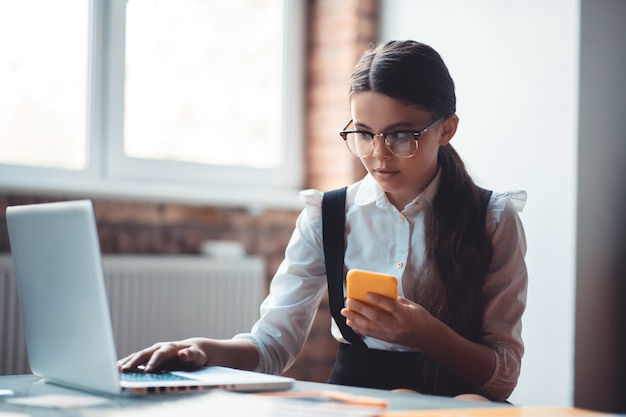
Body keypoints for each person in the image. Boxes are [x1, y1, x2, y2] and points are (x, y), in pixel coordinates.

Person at [118, 40, 527, 402]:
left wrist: (427, 334)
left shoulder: (492, 218)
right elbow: (272, 346)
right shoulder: (327, 216)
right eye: (364, 133)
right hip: (357, 403)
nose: (379, 155)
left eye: (402, 134)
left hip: (458, 407)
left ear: (447, 129)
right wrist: (202, 349)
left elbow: (502, 376)